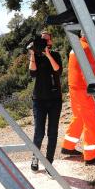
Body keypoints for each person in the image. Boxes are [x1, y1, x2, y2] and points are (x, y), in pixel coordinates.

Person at [61, 36, 95, 164]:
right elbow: (91, 70)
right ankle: (91, 156)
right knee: (90, 121)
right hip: (82, 88)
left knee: (78, 117)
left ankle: (68, 146)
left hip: (74, 87)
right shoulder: (87, 48)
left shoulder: (77, 45)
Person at [28, 31, 63, 171]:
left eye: (47, 40)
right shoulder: (35, 56)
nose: (45, 43)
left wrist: (48, 54)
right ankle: (35, 158)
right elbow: (32, 73)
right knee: (39, 132)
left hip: (55, 100)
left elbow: (57, 70)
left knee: (52, 132)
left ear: (51, 42)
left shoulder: (55, 55)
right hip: (39, 100)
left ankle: (49, 163)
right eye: (42, 40)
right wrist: (32, 54)